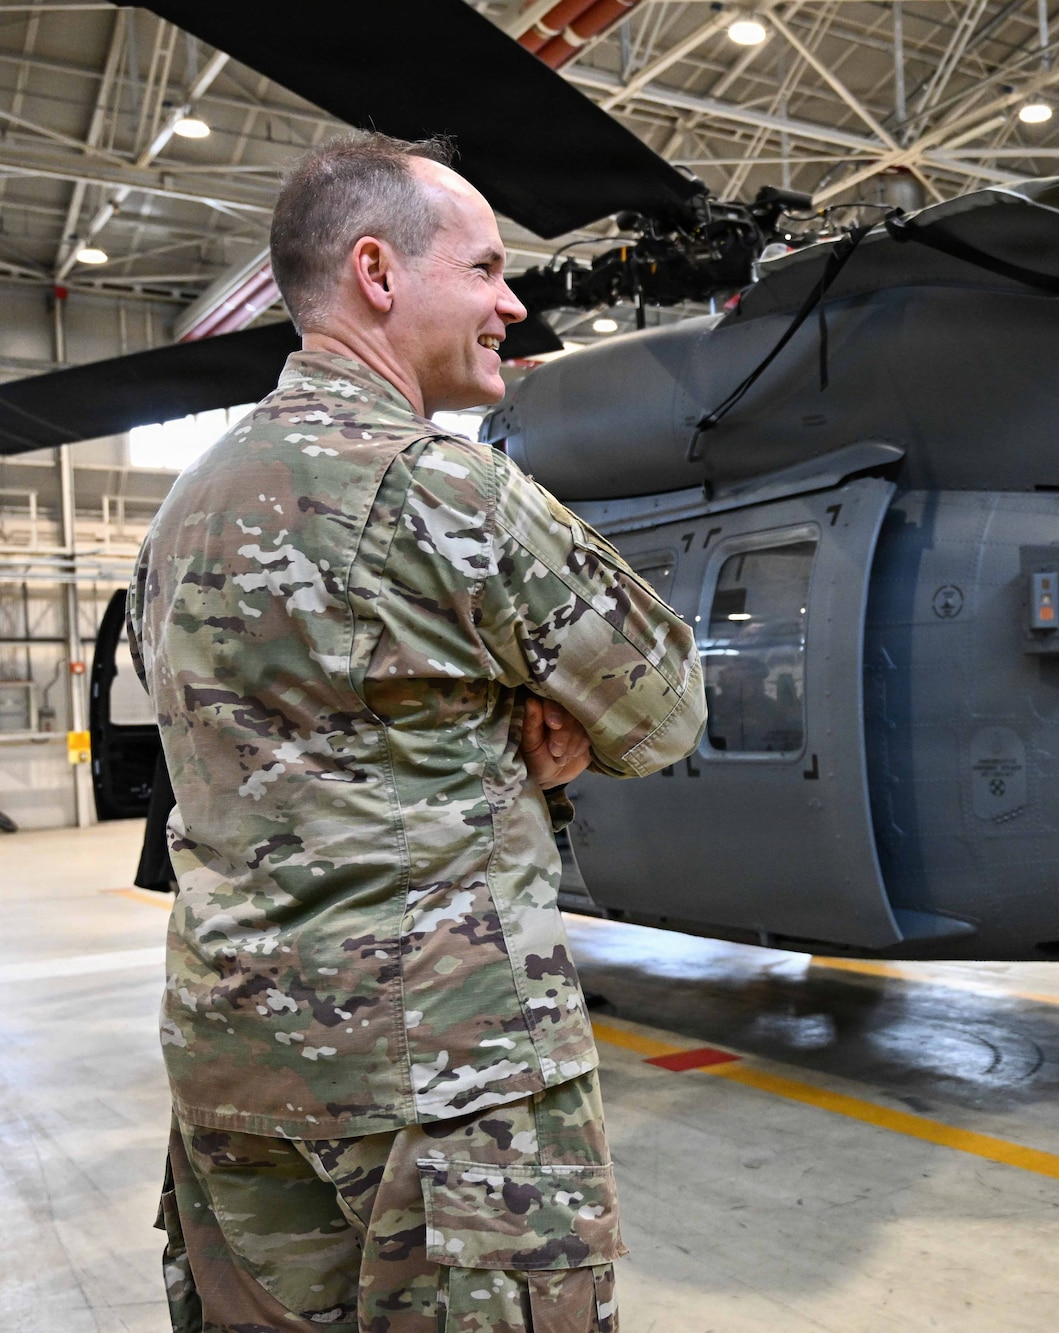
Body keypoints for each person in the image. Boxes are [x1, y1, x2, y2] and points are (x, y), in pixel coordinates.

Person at [128, 132, 705, 1333]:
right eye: (489, 268)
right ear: (379, 274)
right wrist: (549, 734)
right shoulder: (447, 490)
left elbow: (272, 750)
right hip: (445, 1082)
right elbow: (661, 709)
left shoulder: (181, 511)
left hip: (234, 1065)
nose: (512, 303)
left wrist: (491, 737)